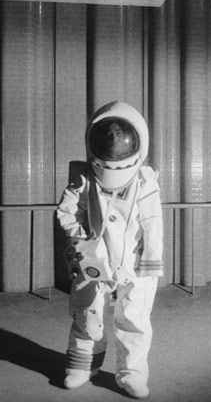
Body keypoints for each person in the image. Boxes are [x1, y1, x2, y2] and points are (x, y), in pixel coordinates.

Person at [56, 101, 163, 399]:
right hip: (94, 259)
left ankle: (132, 374)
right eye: (108, 137)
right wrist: (81, 242)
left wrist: (151, 262)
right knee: (87, 313)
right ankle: (83, 366)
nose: (115, 142)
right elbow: (67, 212)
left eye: (121, 137)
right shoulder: (84, 178)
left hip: (134, 262)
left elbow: (153, 224)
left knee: (134, 318)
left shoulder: (144, 182)